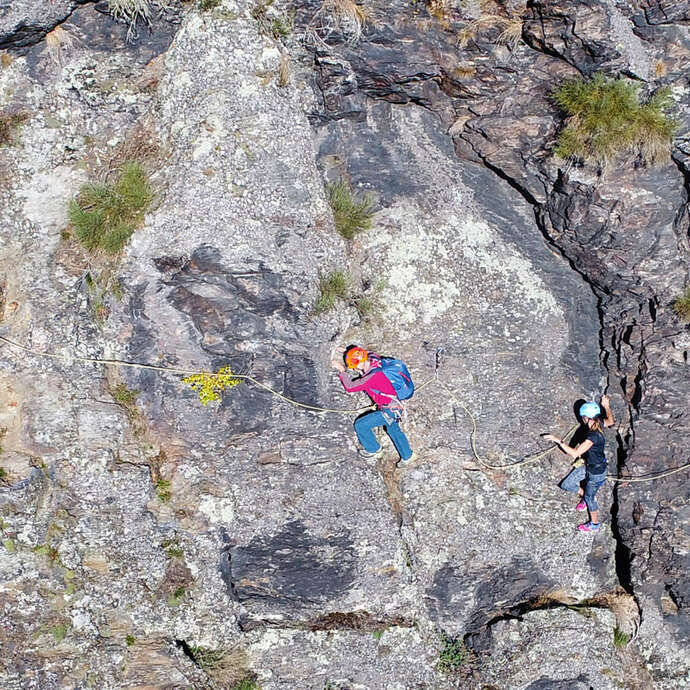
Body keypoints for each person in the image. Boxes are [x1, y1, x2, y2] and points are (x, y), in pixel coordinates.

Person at [331, 345, 414, 468]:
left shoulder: (374, 376)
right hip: (394, 407)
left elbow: (350, 387)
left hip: (388, 410)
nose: (354, 370)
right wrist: (347, 352)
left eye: (354, 366)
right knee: (393, 430)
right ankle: (408, 456)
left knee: (361, 425)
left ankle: (374, 449)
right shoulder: (374, 359)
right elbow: (367, 353)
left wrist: (342, 371)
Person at [544, 395, 614, 533]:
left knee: (590, 498)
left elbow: (575, 453)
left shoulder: (592, 436)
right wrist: (606, 406)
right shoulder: (598, 422)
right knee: (566, 485)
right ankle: (586, 495)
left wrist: (557, 440)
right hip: (591, 466)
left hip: (596, 473)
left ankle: (594, 523)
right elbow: (610, 421)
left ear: (586, 418)